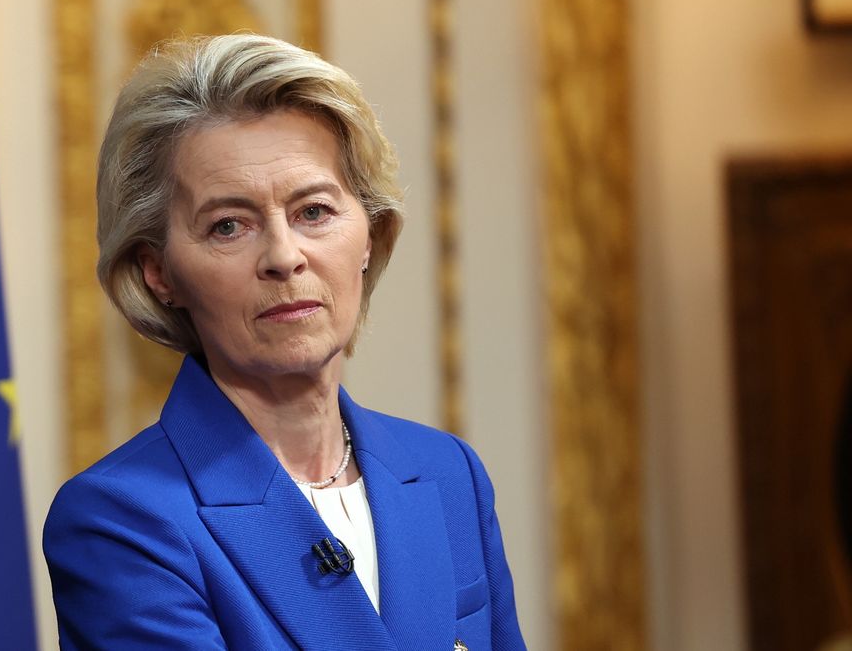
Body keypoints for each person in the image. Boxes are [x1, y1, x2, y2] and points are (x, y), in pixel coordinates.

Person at [44, 33, 524, 650]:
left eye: (314, 212)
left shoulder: (447, 472)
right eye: (228, 226)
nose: (283, 256)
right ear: (158, 273)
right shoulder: (121, 520)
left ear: (371, 234)